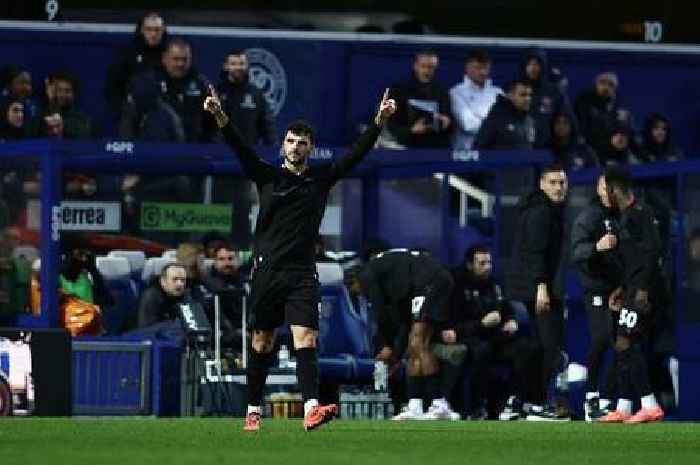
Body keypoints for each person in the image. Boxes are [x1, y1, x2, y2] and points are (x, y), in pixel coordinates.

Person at [203, 85, 396, 431]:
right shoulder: (268, 176)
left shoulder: (320, 179)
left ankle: (311, 408)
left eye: (302, 142)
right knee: (261, 342)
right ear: (283, 146)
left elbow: (354, 155)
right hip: (267, 272)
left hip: (302, 273)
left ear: (311, 148)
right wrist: (220, 117)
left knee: (306, 337)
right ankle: (252, 410)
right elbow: (241, 149)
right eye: (291, 141)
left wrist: (378, 123)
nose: (296, 146)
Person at [346, 248, 458, 421]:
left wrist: (387, 347)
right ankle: (415, 405)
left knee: (419, 342)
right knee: (415, 343)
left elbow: (381, 315)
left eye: (357, 291)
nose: (361, 295)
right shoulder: (394, 282)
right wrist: (395, 354)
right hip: (428, 282)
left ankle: (439, 403)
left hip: (430, 281)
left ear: (355, 280)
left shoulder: (366, 276)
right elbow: (403, 324)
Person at [598, 166, 666, 424]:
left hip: (644, 290)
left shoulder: (641, 213)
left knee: (625, 343)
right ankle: (624, 407)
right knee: (624, 344)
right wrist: (622, 288)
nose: (605, 195)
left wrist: (643, 289)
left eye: (606, 189)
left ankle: (650, 405)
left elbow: (653, 251)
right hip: (632, 287)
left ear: (615, 189)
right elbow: (635, 259)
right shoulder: (626, 217)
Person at [446, 245, 535, 420]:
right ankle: (477, 407)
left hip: (496, 337)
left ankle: (514, 403)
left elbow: (507, 308)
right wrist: (481, 324)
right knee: (482, 351)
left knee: (527, 348)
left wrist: (511, 320)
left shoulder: (494, 284)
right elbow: (453, 327)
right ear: (470, 265)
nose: (488, 266)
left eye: (489, 262)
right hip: (470, 338)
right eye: (482, 263)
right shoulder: (455, 285)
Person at [508, 163, 569, 421]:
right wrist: (541, 287)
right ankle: (538, 403)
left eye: (562, 183)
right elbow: (535, 253)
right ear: (542, 184)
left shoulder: (543, 210)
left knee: (538, 347)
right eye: (553, 182)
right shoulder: (542, 213)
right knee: (550, 347)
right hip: (538, 289)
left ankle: (520, 401)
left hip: (533, 287)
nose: (559, 187)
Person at [570, 174, 624, 421]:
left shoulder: (624, 215)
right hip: (597, 290)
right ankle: (591, 396)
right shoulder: (588, 217)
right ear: (599, 188)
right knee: (602, 339)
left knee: (623, 345)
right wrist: (597, 247)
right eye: (606, 186)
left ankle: (606, 399)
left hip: (621, 290)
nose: (610, 191)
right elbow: (577, 252)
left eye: (614, 186)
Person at [105, 11, 168, 121]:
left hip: (163, 112)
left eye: (157, 30)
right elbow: (113, 85)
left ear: (163, 31)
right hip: (131, 112)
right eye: (149, 29)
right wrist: (121, 110)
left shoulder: (170, 53)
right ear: (141, 30)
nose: (153, 34)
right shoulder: (127, 54)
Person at [385, 50, 452, 148]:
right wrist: (411, 130)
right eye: (423, 66)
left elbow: (449, 121)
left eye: (431, 67)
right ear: (415, 66)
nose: (427, 71)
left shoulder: (442, 91)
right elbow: (391, 124)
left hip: (435, 145)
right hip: (407, 146)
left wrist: (446, 121)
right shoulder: (399, 90)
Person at [216, 49, 275, 146]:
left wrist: (272, 150)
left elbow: (267, 126)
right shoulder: (216, 92)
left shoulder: (256, 94)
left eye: (242, 64)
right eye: (233, 64)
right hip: (219, 153)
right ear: (226, 66)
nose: (238, 67)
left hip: (249, 152)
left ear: (247, 66)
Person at [449, 49, 502, 150]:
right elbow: (468, 125)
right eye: (478, 68)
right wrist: (496, 127)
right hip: (466, 154)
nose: (483, 72)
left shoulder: (498, 93)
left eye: (486, 68)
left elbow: (505, 123)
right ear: (467, 68)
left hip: (493, 153)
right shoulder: (456, 92)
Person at [574, 72, 637, 156]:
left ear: (615, 89)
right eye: (602, 82)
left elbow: (627, 130)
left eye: (610, 85)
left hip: (613, 149)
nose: (606, 87)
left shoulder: (619, 106)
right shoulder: (584, 101)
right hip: (589, 148)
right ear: (596, 84)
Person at [473, 79, 546, 150]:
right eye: (523, 95)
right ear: (510, 95)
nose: (528, 99)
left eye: (529, 95)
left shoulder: (530, 120)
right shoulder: (496, 118)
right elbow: (478, 149)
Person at [201, 242, 244, 353]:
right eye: (222, 259)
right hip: (218, 339)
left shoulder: (246, 282)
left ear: (238, 260)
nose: (227, 263)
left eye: (230, 258)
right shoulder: (207, 285)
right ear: (214, 262)